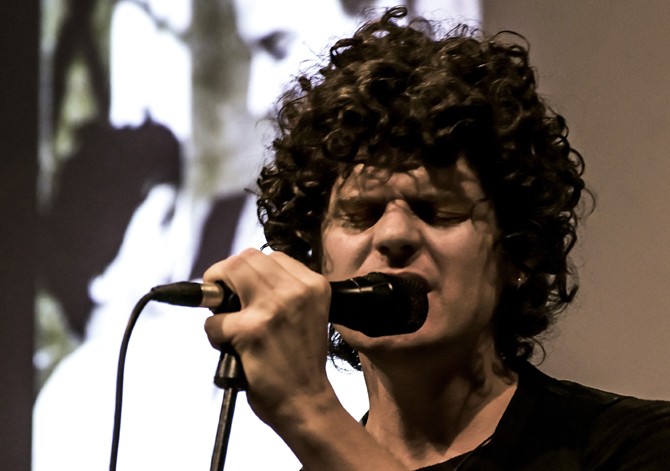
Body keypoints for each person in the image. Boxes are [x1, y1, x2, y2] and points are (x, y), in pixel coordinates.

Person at [202, 7, 670, 470]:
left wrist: (308, 408)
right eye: (361, 214)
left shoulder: (634, 446)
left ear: (517, 251)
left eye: (438, 212)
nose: (394, 235)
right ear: (315, 261)